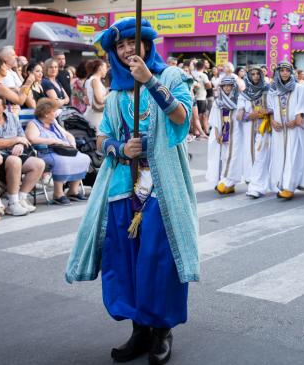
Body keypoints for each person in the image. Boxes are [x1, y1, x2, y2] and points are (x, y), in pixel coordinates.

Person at [66, 18, 197, 365]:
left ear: (146, 44)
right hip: (124, 187)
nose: (126, 50)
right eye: (120, 46)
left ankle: (161, 331)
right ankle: (139, 330)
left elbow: (182, 117)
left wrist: (150, 81)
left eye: (131, 43)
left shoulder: (171, 76)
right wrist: (121, 149)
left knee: (159, 260)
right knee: (125, 260)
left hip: (162, 186)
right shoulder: (116, 94)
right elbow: (102, 138)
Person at [0, 94, 46, 216]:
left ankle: (21, 198)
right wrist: (16, 140)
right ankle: (12, 203)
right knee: (14, 161)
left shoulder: (11, 116)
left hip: (15, 152)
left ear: (4, 107)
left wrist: (20, 144)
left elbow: (22, 136)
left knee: (39, 164)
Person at [25, 99, 89, 205]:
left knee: (84, 158)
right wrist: (53, 141)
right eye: (54, 111)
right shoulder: (34, 124)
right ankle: (58, 194)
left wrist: (72, 142)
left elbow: (67, 134)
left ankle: (73, 191)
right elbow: (32, 138)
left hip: (63, 150)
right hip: (46, 152)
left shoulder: (53, 122)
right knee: (62, 161)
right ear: (46, 113)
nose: (56, 113)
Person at [267, 62, 304, 199]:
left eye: (287, 70)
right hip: (279, 129)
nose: (284, 73)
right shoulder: (273, 89)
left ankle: (289, 187)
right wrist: (272, 121)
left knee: (292, 155)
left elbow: (303, 107)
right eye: (282, 70)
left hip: (293, 128)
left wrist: (297, 120)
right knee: (279, 156)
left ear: (291, 72)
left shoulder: (299, 88)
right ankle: (280, 184)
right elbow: (270, 109)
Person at [236, 66, 271, 199]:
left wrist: (266, 112)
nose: (255, 76)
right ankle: (255, 185)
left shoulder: (268, 90)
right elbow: (239, 115)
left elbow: (274, 107)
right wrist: (251, 115)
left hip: (265, 127)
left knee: (261, 156)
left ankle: (258, 186)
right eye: (253, 74)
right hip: (249, 129)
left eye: (258, 74)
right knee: (252, 156)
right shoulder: (244, 94)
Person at [206, 77, 244, 195]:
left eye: (229, 86)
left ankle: (228, 182)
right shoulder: (218, 102)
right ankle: (224, 182)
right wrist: (217, 133)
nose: (227, 88)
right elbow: (214, 118)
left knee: (233, 157)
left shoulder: (239, 100)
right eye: (225, 86)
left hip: (235, 133)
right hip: (221, 134)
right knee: (222, 158)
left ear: (234, 87)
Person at [84, 59, 108, 131]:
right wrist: (111, 94)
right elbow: (100, 100)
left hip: (93, 113)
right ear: (100, 68)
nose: (106, 70)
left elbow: (87, 98)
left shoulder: (90, 79)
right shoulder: (95, 80)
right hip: (96, 115)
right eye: (105, 68)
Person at [191, 60, 211, 140]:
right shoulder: (203, 75)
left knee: (195, 116)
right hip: (201, 97)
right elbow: (209, 85)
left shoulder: (192, 74)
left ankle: (195, 131)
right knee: (201, 115)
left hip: (194, 96)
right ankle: (200, 132)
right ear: (203, 67)